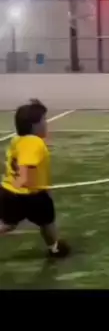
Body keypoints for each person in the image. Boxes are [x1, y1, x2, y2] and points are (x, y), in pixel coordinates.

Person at [0, 99, 70, 258]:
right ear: (34, 125)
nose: (46, 123)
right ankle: (54, 248)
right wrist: (23, 181)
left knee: (8, 224)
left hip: (9, 191)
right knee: (47, 222)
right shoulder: (34, 143)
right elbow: (26, 167)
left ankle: (54, 246)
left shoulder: (17, 139)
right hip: (30, 195)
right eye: (43, 120)